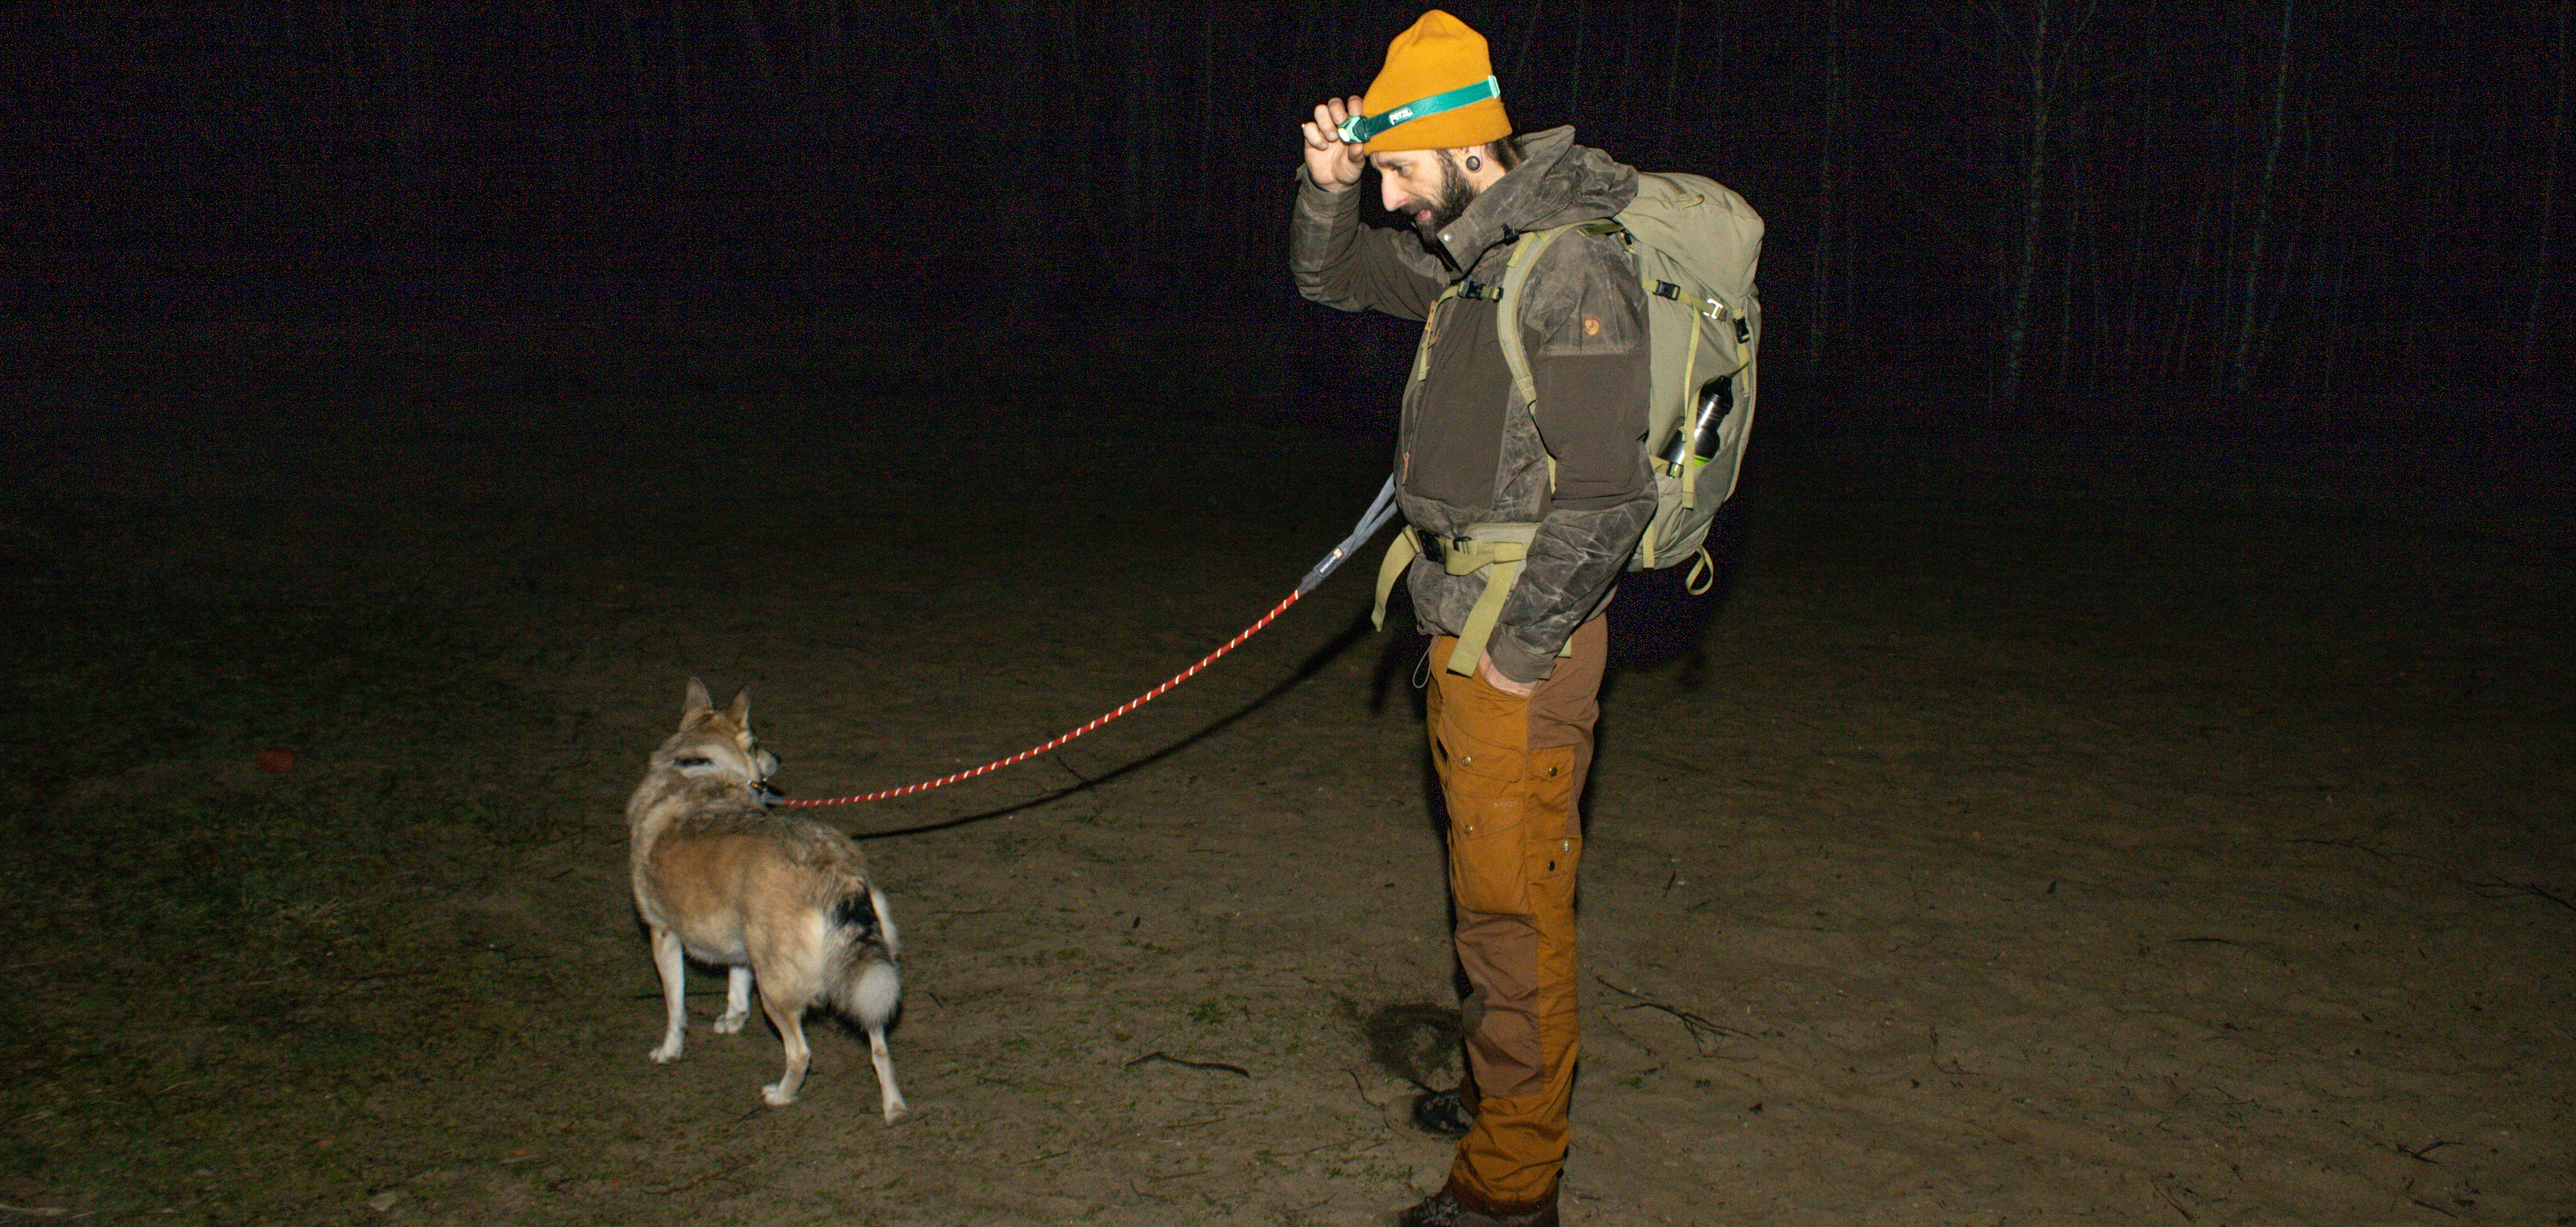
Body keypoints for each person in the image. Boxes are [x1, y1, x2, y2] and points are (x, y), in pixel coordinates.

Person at [1292, 11, 1654, 1227]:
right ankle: (1506, 1107)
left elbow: (1608, 498)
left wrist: (1511, 659)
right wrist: (1326, 183)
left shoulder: (1571, 268)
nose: (1391, 200)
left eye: (1399, 171)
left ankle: (1510, 1193)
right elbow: (1329, 273)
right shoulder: (1474, 255)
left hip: (1516, 645)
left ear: (1463, 146)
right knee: (1490, 904)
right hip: (1464, 622)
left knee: (1513, 923)